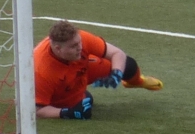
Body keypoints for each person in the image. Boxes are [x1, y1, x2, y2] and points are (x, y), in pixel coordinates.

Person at [33, 19, 163, 119]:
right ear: (58, 49)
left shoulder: (81, 39)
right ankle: (79, 96)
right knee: (84, 103)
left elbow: (117, 53)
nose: (80, 47)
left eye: (79, 42)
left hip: (81, 70)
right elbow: (37, 109)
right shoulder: (40, 71)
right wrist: (66, 113)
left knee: (128, 65)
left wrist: (116, 74)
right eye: (73, 46)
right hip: (59, 92)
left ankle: (138, 81)